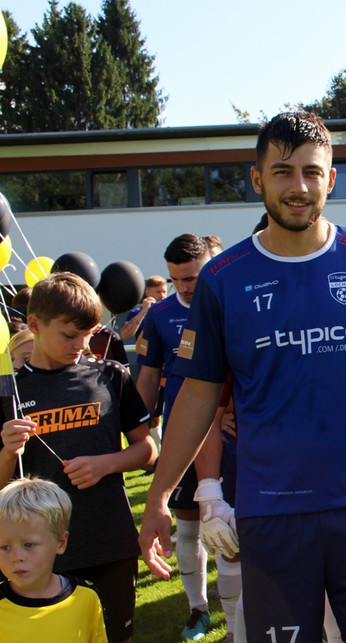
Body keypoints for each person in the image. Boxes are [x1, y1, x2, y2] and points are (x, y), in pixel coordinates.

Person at [137, 111, 346, 643]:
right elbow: (198, 395)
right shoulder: (222, 280)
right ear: (257, 179)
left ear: (331, 179)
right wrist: (161, 496)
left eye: (311, 172)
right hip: (271, 510)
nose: (299, 187)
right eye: (282, 171)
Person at [0, 272, 156, 643]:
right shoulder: (11, 392)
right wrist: (8, 451)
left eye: (88, 335)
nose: (80, 345)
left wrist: (107, 463)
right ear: (34, 324)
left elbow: (148, 449)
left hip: (109, 541)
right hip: (38, 550)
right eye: (70, 335)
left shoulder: (110, 376)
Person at [135, 233, 215, 639]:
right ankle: (198, 609)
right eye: (177, 280)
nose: (185, 287)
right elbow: (149, 375)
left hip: (226, 432)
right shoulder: (160, 314)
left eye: (192, 277)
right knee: (188, 521)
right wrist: (136, 422)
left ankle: (241, 610)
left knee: (233, 521)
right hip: (180, 433)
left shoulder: (225, 306)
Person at [0, 477, 106, 641]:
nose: (16, 557)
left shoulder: (86, 598)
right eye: (5, 547)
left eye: (28, 545)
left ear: (61, 542)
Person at [119, 275, 168, 342]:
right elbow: (125, 335)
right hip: (146, 351)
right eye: (158, 292)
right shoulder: (137, 312)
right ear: (147, 293)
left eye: (164, 292)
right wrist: (144, 311)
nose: (162, 296)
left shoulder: (171, 310)